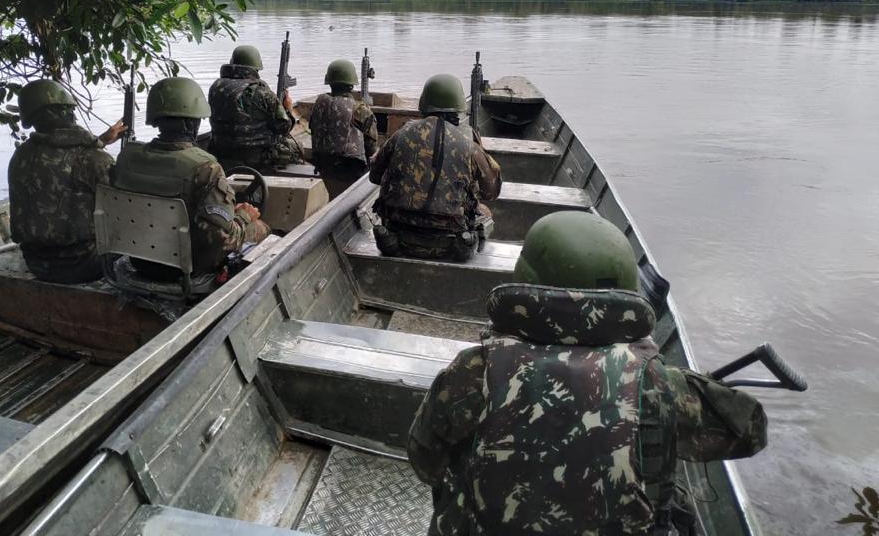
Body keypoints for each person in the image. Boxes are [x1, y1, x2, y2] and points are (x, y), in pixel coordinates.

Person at [407, 211, 769, 536]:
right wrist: (685, 383)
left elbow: (425, 461)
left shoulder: (472, 369)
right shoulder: (661, 385)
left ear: (526, 282)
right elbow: (751, 430)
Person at [113, 76, 270, 283]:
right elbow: (221, 240)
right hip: (185, 269)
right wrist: (243, 217)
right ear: (193, 122)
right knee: (263, 228)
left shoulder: (127, 157)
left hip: (139, 261)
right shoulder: (206, 168)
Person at [369, 73, 501, 261]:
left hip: (395, 241)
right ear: (458, 109)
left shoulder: (401, 134)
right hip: (452, 247)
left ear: (424, 104)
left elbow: (374, 176)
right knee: (485, 212)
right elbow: (491, 192)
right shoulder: (468, 144)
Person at [8, 79, 127, 283]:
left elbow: (60, 162)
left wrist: (102, 141)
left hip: (36, 264)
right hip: (86, 265)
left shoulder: (21, 155)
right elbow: (126, 208)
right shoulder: (94, 159)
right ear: (68, 112)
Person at [208, 44, 302, 171]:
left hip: (220, 153)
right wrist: (289, 109)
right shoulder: (263, 92)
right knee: (297, 148)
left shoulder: (216, 87)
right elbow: (284, 127)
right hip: (256, 158)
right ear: (256, 67)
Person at [309, 58, 378, 198]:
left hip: (323, 165)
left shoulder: (319, 103)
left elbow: (314, 129)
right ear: (351, 85)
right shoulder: (360, 109)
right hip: (350, 169)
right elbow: (371, 148)